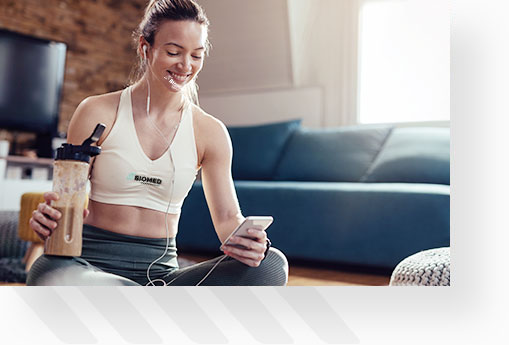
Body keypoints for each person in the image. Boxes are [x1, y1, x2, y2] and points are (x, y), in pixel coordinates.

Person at [26, 0, 288, 286]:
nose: (185, 66)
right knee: (48, 272)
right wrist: (49, 221)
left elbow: (227, 218)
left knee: (271, 266)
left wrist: (249, 242)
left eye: (196, 55)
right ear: (145, 48)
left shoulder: (210, 132)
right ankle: (150, 308)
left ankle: (134, 306)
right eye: (173, 52)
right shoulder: (96, 112)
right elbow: (65, 201)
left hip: (162, 276)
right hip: (88, 268)